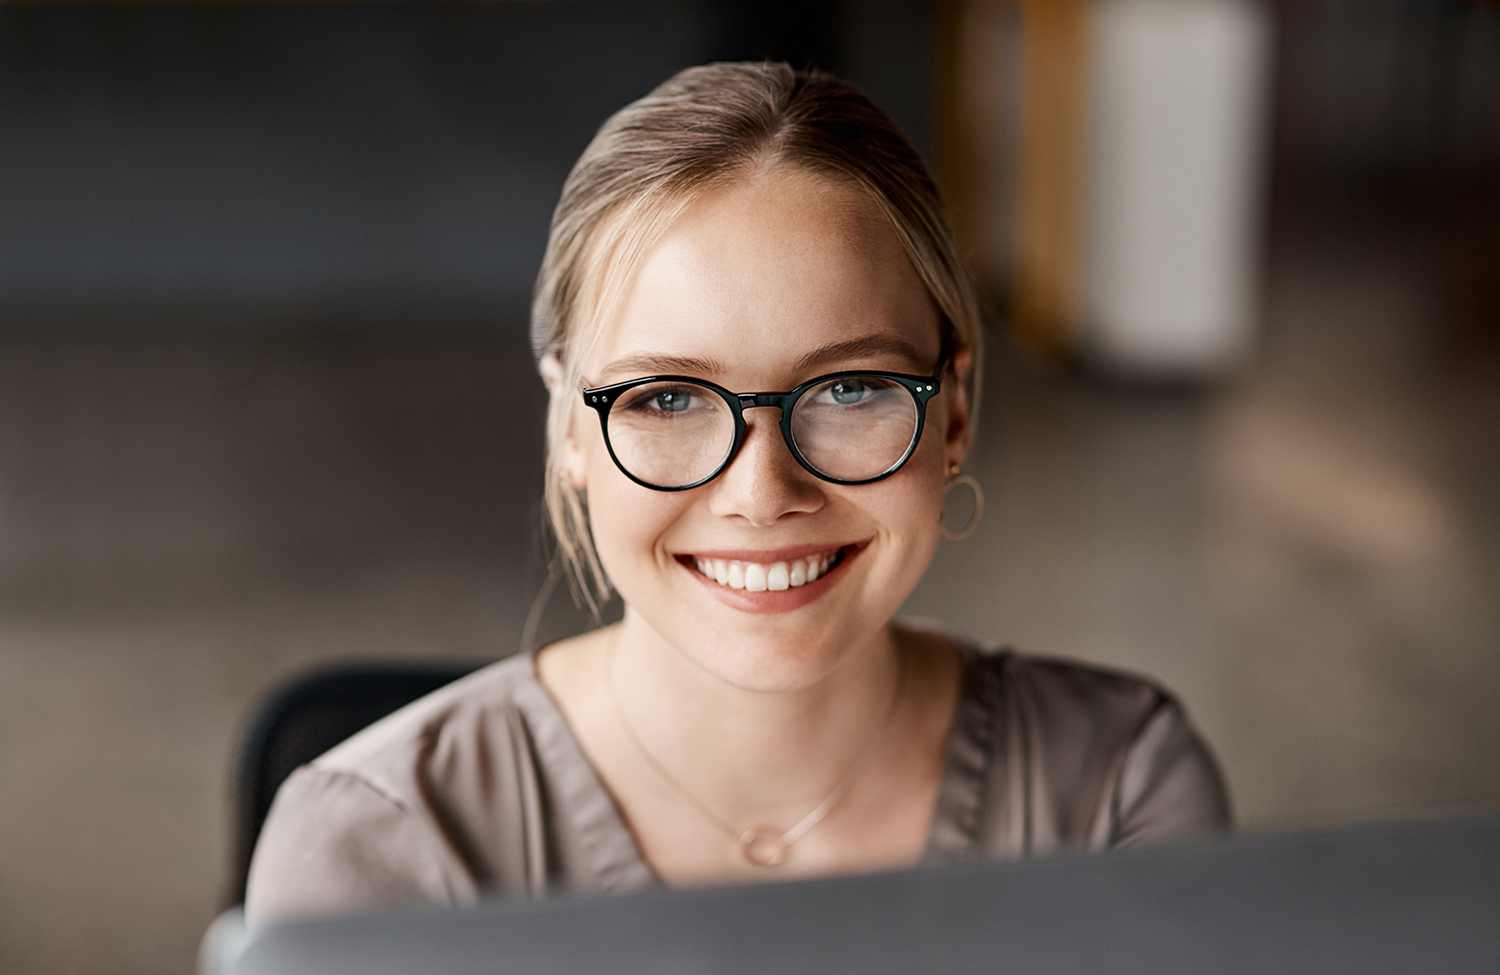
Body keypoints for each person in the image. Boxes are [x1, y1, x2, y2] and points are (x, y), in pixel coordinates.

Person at [244, 61, 1229, 926]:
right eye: (666, 396)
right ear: (570, 428)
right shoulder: (379, 847)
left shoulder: (1117, 791)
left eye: (851, 389)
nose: (762, 491)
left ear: (955, 413)